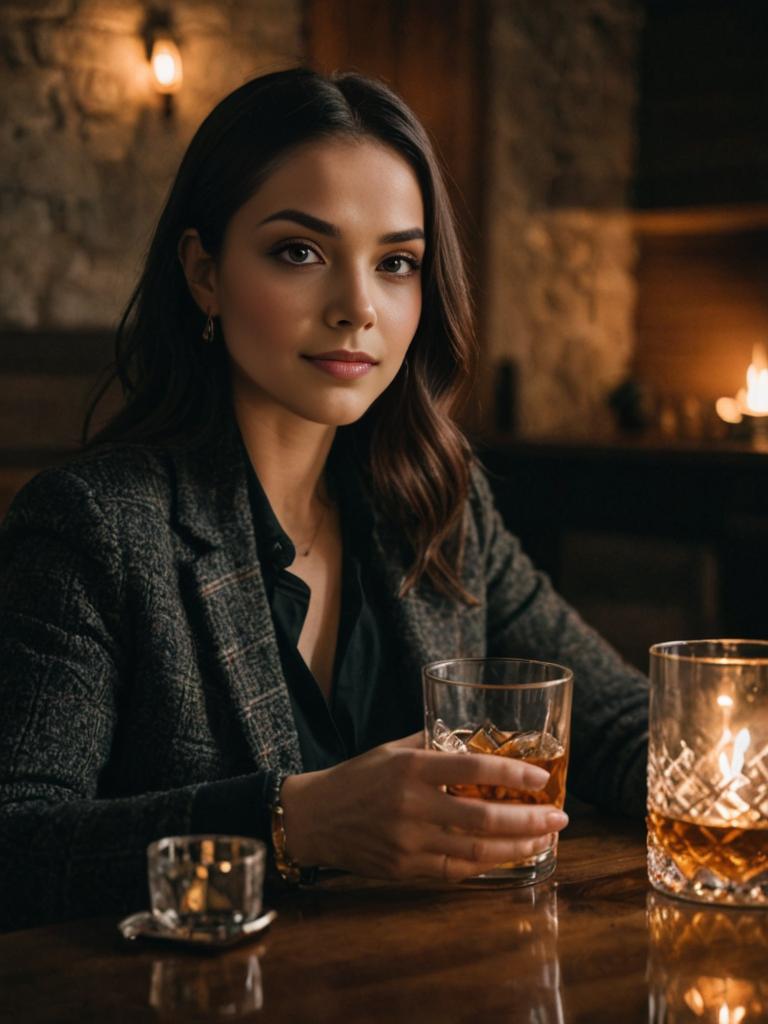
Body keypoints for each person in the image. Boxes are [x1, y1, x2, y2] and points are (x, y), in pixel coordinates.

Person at [0, 67, 649, 931]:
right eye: (299, 252)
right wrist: (294, 821)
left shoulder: (437, 507)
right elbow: (18, 851)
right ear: (204, 273)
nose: (357, 308)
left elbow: (613, 719)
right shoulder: (94, 528)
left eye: (396, 263)